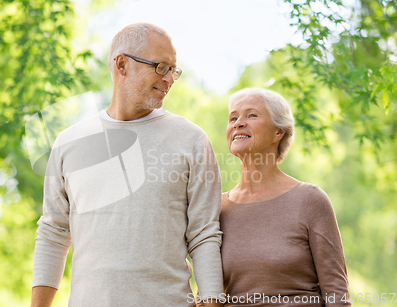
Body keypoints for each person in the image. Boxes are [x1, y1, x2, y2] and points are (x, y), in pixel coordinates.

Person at [31, 23, 224, 307]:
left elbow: (204, 235)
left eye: (174, 70)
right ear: (122, 64)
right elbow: (53, 233)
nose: (170, 79)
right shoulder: (69, 142)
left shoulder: (191, 140)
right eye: (161, 67)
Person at [211, 88, 351, 306]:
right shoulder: (216, 208)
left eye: (251, 115)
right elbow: (206, 292)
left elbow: (337, 293)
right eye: (233, 118)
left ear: (279, 132)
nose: (238, 123)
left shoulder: (310, 200)